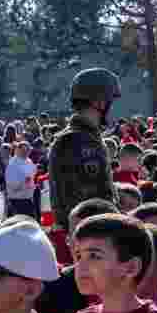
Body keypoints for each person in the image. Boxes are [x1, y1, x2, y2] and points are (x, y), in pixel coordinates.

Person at [48, 68, 119, 247]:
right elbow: (94, 201)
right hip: (91, 238)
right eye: (110, 101)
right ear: (99, 102)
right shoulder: (82, 141)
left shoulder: (81, 137)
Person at [35, 198, 118, 313]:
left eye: (91, 236)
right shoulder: (53, 288)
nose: (80, 244)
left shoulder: (133, 284)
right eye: (75, 235)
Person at [5, 141, 37, 218]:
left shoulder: (29, 161)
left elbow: (32, 173)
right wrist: (23, 182)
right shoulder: (13, 164)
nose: (26, 152)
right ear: (18, 150)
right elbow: (11, 183)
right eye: (23, 150)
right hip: (17, 200)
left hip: (28, 198)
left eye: (28, 150)